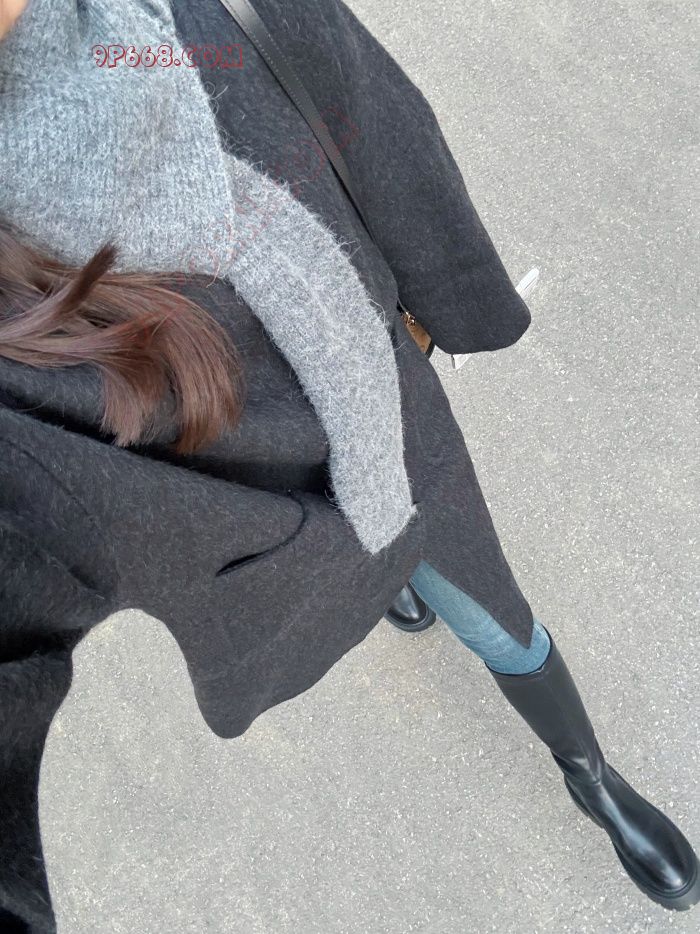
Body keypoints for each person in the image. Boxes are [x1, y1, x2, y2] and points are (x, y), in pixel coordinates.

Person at [0, 1, 697, 930]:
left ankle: (591, 776)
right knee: (362, 577)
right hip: (284, 524)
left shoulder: (196, 17)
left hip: (396, 420)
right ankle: (384, 576)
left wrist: (453, 308)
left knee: (496, 614)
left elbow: (386, 135)